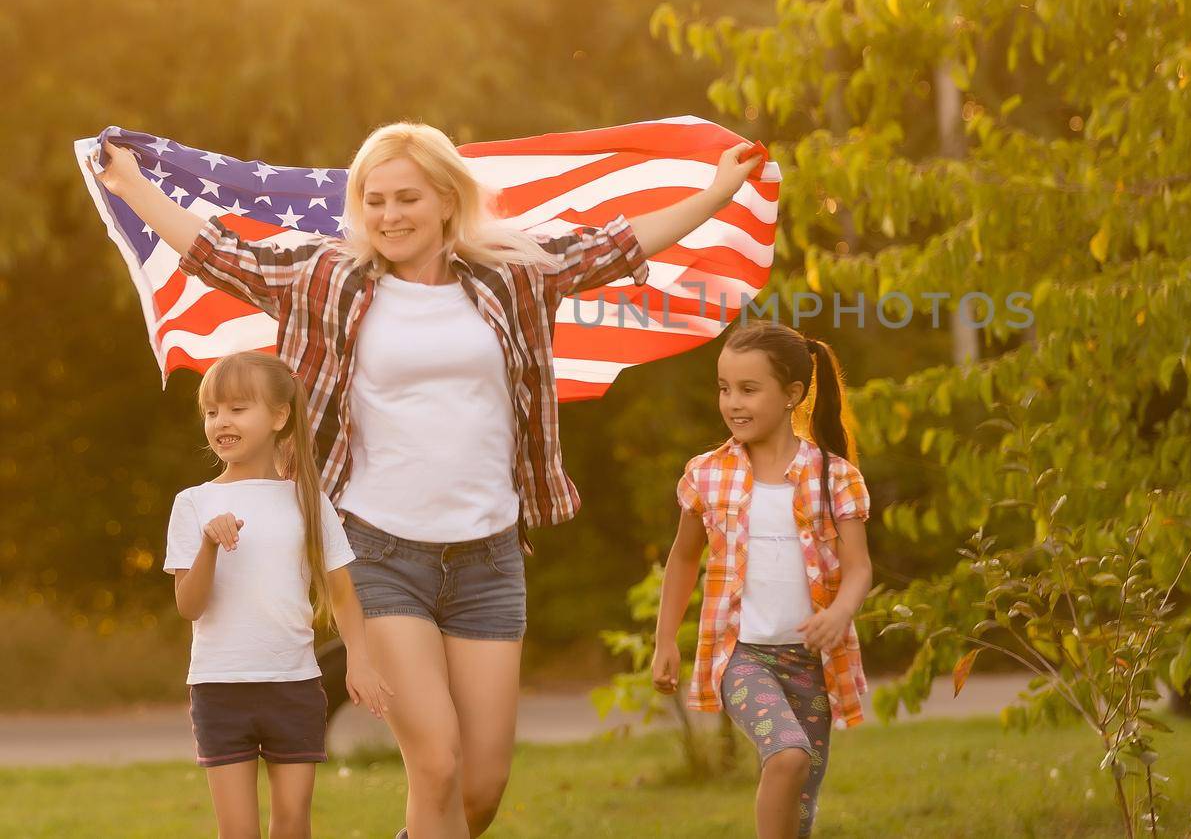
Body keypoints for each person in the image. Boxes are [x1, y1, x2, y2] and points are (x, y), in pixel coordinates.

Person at [95, 121, 763, 838]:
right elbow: (221, 256)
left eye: (406, 197)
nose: (389, 215)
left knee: (480, 786)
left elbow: (617, 244)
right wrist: (131, 185)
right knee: (437, 763)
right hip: (381, 554)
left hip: (489, 559)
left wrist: (718, 190)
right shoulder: (329, 276)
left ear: (446, 198)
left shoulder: (514, 272)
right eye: (374, 200)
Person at [651, 321, 873, 839]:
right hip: (742, 656)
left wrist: (839, 612)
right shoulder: (708, 473)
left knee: (799, 809)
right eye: (724, 388)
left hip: (810, 663)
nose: (732, 402)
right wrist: (665, 640)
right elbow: (684, 558)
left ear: (792, 394)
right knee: (789, 754)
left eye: (749, 389)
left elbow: (859, 566)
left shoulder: (834, 476)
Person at [166, 351, 391, 839]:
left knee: (293, 824)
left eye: (238, 408)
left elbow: (343, 595)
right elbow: (189, 605)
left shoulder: (308, 501)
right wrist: (207, 545)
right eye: (212, 412)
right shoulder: (193, 504)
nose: (221, 421)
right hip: (219, 689)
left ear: (279, 416)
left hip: (293, 687)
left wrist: (360, 660)